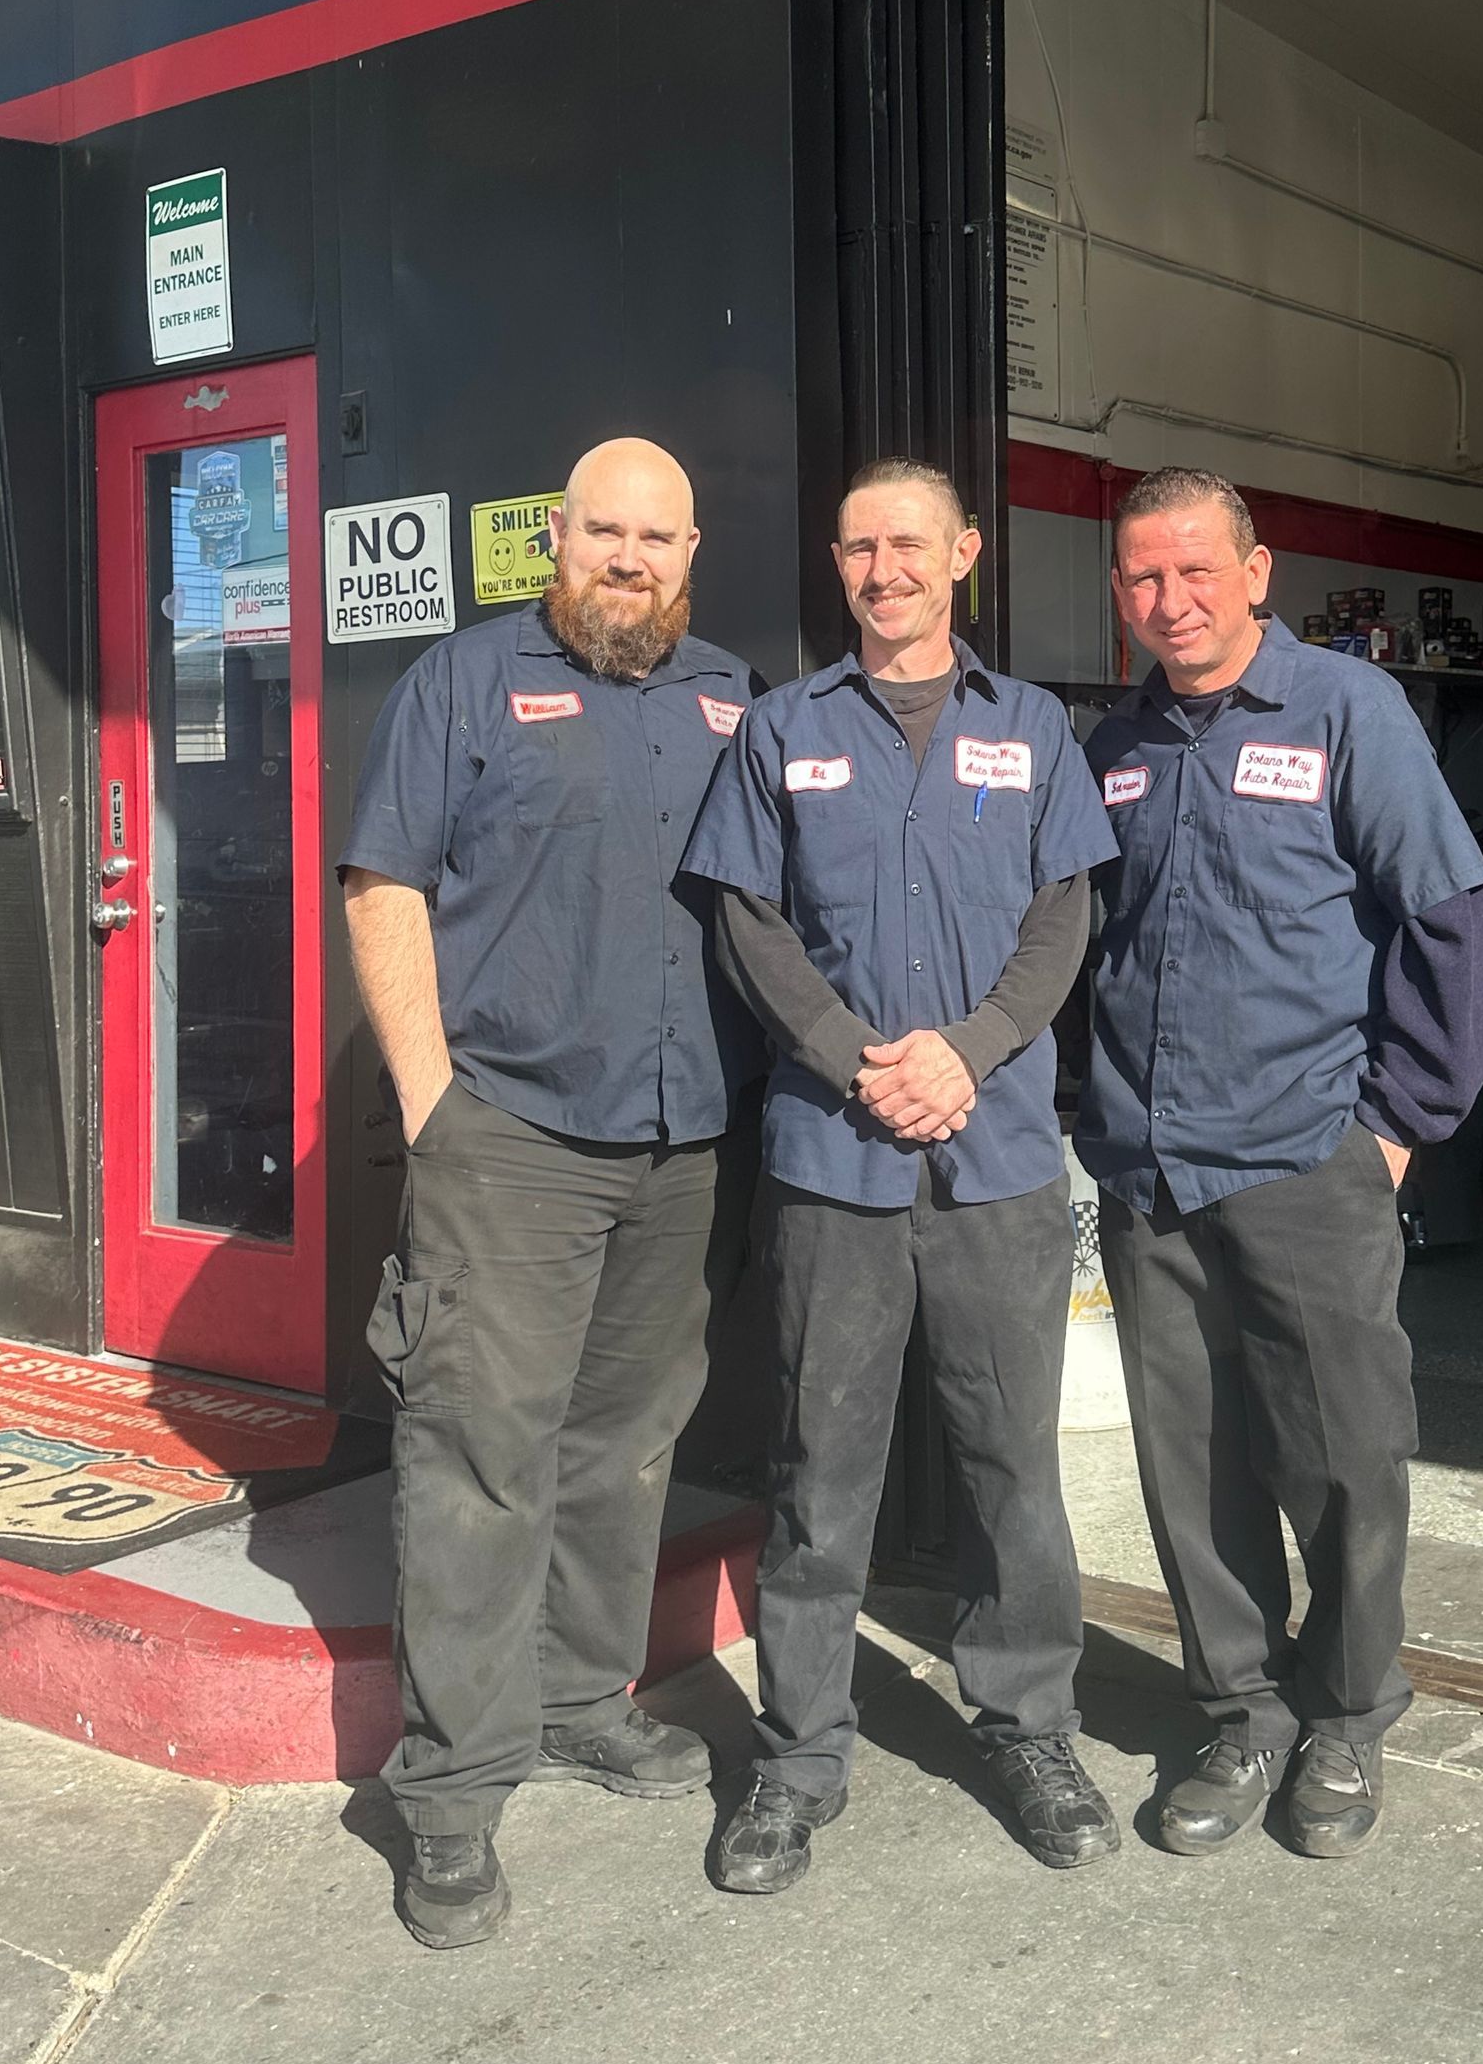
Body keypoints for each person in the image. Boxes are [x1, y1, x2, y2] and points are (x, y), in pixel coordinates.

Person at [340, 437, 762, 1948]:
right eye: (604, 532)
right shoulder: (464, 681)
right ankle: (449, 1798)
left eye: (656, 536)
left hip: (679, 1141)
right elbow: (382, 884)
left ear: (691, 551)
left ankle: (586, 1698)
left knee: (625, 1442)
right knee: (478, 1457)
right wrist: (431, 1102)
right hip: (509, 1135)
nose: (628, 558)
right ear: (557, 540)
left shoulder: (731, 696)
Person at [682, 457, 1121, 1894]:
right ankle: (801, 1755)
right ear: (839, 563)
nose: (884, 571)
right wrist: (853, 1054)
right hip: (836, 1151)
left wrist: (974, 1049)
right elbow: (749, 918)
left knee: (1014, 1468)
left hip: (994, 1160)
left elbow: (1065, 917)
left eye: (910, 545)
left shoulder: (1035, 728)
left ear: (965, 558)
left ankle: (1028, 1724)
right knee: (823, 1465)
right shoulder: (781, 730)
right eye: (862, 548)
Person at [1081, 466, 1483, 1861]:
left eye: (1198, 570)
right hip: (1152, 1176)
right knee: (1191, 1470)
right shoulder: (1118, 743)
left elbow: (1449, 916)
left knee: (1342, 1459)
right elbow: (1085, 945)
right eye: (1144, 577)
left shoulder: (1346, 714)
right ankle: (1243, 1708)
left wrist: (1398, 1125)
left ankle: (1347, 1713)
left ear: (1258, 572)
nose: (1171, 600)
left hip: (1306, 1161)